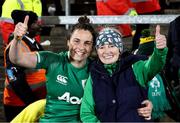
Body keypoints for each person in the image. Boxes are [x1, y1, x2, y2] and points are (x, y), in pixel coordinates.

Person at [9, 16, 152, 122]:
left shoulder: (98, 69)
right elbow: (17, 58)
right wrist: (16, 39)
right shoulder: (53, 60)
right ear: (68, 42)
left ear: (92, 47)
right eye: (76, 41)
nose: (81, 48)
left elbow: (125, 88)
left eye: (87, 43)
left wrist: (147, 103)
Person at [80, 25, 168, 122]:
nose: (106, 51)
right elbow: (86, 113)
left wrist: (159, 51)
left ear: (120, 49)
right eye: (101, 47)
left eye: (111, 46)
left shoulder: (135, 67)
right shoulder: (94, 76)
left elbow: (153, 66)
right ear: (97, 51)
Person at [3, 10, 46, 122]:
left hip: (35, 101)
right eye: (36, 22)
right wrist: (33, 103)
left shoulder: (34, 44)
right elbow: (14, 78)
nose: (40, 24)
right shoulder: (16, 46)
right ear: (26, 25)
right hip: (19, 104)